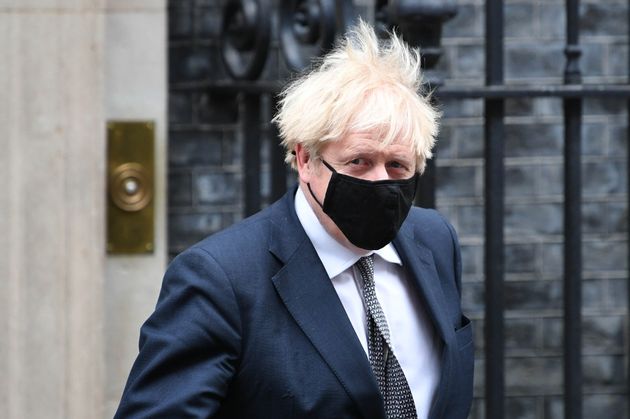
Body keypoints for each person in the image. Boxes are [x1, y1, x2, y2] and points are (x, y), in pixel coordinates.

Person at [115, 21, 473, 419]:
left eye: (397, 165)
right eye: (359, 162)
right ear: (305, 160)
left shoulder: (435, 241)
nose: (381, 181)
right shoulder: (220, 280)